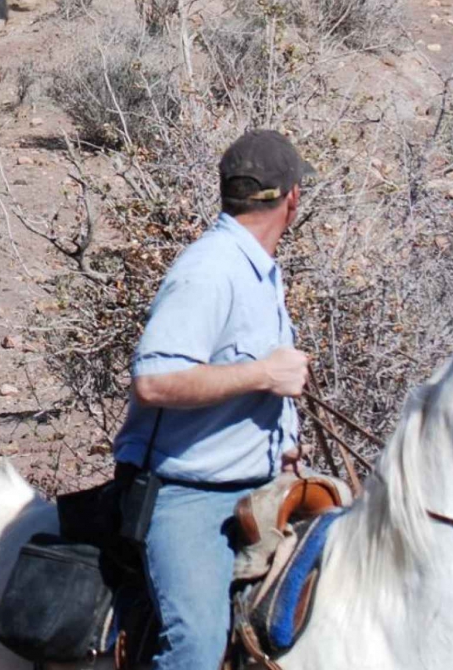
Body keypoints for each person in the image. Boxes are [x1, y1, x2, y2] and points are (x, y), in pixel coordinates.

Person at [110, 130, 312, 670]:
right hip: (187, 494)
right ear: (292, 198)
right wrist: (264, 374)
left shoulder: (260, 270)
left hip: (262, 485)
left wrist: (285, 444)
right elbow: (154, 381)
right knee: (196, 647)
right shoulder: (210, 269)